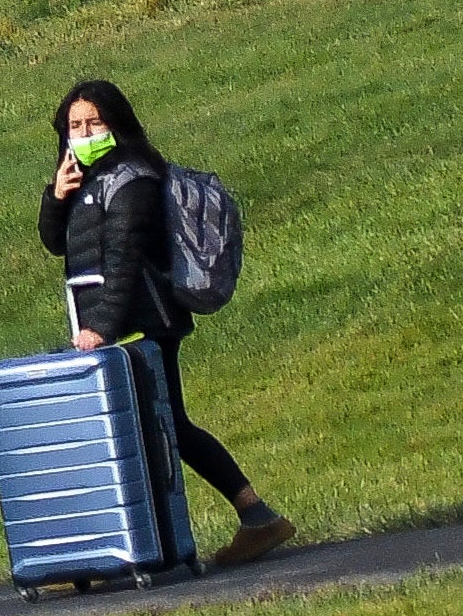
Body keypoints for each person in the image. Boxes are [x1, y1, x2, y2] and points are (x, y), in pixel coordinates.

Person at [41, 76, 294, 567]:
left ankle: (253, 517)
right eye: (75, 125)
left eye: (95, 122)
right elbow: (55, 243)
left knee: (166, 423)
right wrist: (57, 195)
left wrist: (101, 330)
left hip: (144, 324)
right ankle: (131, 545)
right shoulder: (83, 181)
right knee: (151, 426)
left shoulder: (134, 179)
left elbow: (123, 262)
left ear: (116, 123)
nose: (85, 132)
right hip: (106, 325)